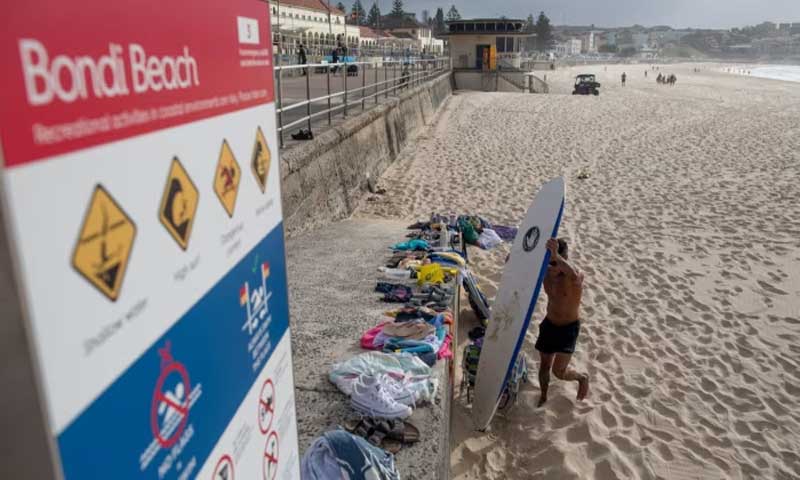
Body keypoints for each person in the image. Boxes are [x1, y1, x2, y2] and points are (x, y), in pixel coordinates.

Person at [535, 238, 589, 407]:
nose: (554, 266)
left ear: (564, 257)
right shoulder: (546, 273)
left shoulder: (574, 276)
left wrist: (557, 257)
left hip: (568, 329)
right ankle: (543, 396)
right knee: (544, 367)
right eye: (551, 262)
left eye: (559, 260)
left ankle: (581, 377)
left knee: (559, 372)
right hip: (550, 324)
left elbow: (574, 274)